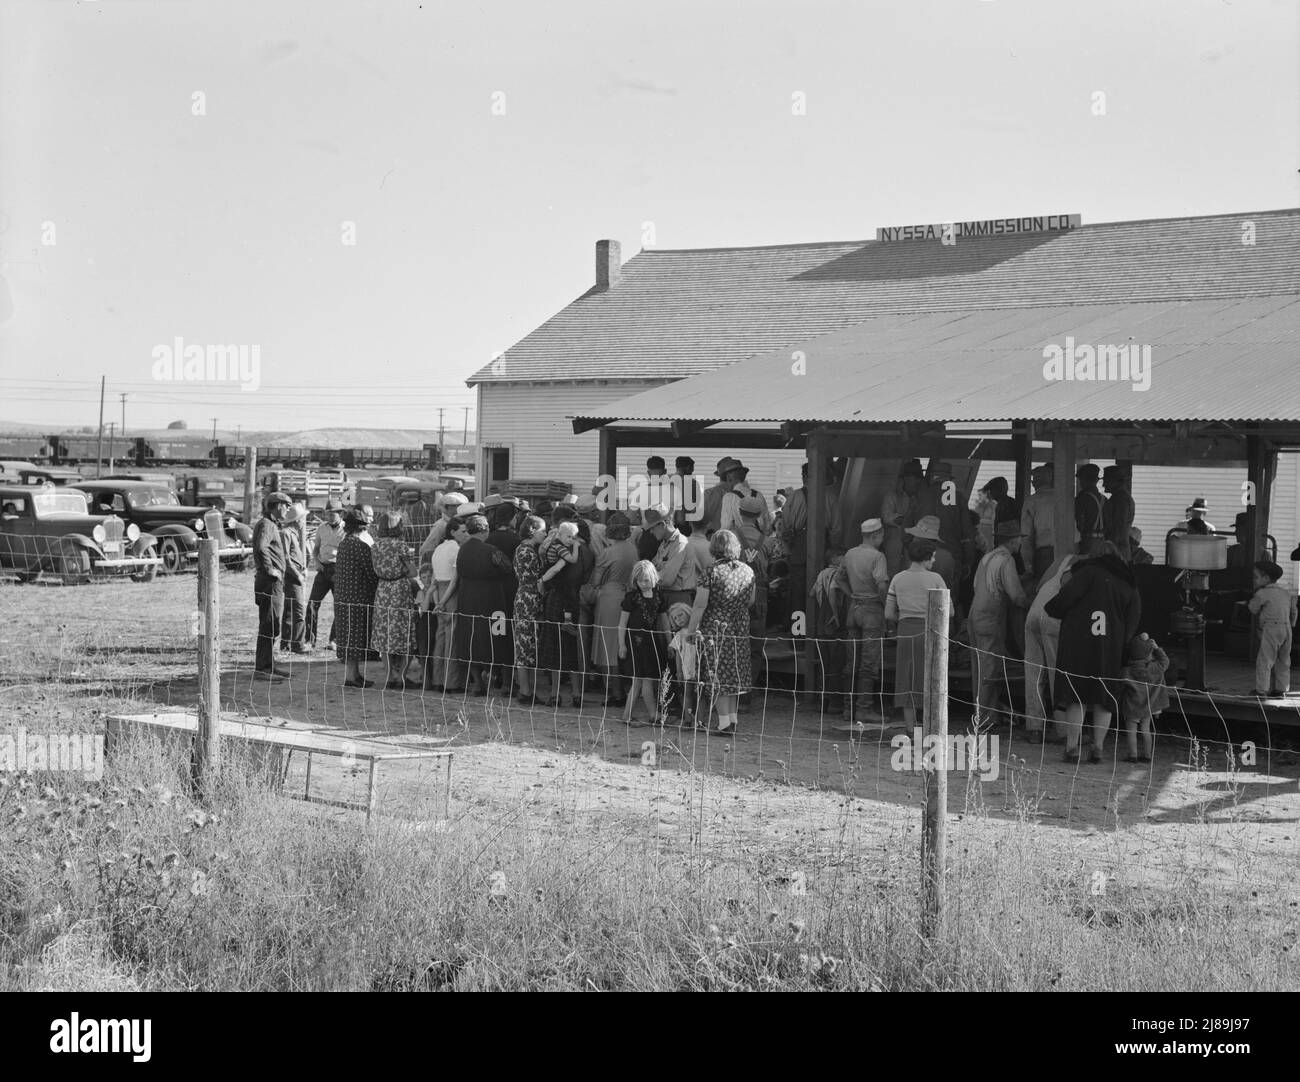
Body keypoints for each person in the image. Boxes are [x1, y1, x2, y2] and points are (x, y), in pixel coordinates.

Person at [1045, 541, 1142, 764]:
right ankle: (1097, 748)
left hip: (1077, 645)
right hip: (1109, 648)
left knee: (1076, 696)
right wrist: (1122, 643)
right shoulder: (1128, 581)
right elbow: (1133, 618)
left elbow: (1061, 601)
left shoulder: (1086, 573)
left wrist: (1053, 609)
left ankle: (1072, 747)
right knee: (1104, 698)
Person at [685, 530, 756, 735]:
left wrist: (691, 630)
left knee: (717, 674)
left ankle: (724, 724)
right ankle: (731, 720)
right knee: (734, 675)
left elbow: (700, 604)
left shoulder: (711, 572)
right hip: (740, 625)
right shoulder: (748, 570)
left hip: (715, 625)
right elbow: (751, 600)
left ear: (714, 547)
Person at [968, 519, 1030, 728]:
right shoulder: (1006, 560)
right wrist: (1032, 602)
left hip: (974, 613)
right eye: (1019, 539)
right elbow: (1016, 595)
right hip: (991, 617)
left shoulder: (987, 557)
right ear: (1014, 541)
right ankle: (984, 719)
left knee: (979, 667)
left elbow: (976, 585)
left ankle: (985, 714)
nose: (1020, 543)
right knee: (990, 669)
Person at [447, 513, 515, 697]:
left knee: (470, 640)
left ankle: (477, 683)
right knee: (500, 637)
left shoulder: (462, 550)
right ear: (485, 530)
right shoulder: (491, 550)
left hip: (468, 599)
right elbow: (508, 568)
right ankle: (506, 684)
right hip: (493, 601)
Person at [885, 539, 948, 728]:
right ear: (927, 557)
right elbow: (949, 611)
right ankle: (931, 726)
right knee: (931, 677)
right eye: (933, 557)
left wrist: (905, 616)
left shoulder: (897, 578)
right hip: (931, 630)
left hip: (905, 631)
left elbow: (888, 613)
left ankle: (910, 729)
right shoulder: (936, 579)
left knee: (907, 678)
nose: (934, 561)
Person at [839, 517, 890, 729]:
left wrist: (853, 595)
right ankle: (864, 708)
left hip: (854, 608)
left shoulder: (850, 554)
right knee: (869, 663)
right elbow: (881, 584)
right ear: (876, 535)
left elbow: (840, 579)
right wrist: (885, 605)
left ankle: (848, 707)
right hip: (872, 610)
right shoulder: (878, 557)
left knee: (853, 661)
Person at [1022, 552, 1079, 742]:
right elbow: (1070, 593)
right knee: (1057, 673)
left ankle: (1034, 729)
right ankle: (1063, 731)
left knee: (1034, 673)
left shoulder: (1061, 561)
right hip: (1052, 617)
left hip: (1034, 612)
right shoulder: (1083, 566)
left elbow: (1039, 586)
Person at [781, 461, 842, 618]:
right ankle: (817, 633)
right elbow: (836, 529)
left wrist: (788, 550)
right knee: (823, 591)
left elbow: (786, 527)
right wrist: (831, 550)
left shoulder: (795, 496)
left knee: (798, 596)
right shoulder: (830, 497)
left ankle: (798, 636)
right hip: (824, 549)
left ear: (805, 477)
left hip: (799, 549)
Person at [589, 512, 638, 708]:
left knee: (608, 646)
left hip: (609, 598)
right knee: (622, 644)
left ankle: (616, 693)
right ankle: (625, 689)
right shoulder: (633, 550)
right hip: (627, 596)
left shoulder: (607, 553)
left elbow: (596, 580)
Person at [369, 511, 420, 690]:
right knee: (405, 634)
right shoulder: (401, 546)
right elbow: (413, 572)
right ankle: (402, 677)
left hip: (382, 590)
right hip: (400, 590)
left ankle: (390, 676)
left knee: (385, 635)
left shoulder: (375, 546)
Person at [536, 517, 584, 707]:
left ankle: (555, 693)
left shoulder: (554, 547)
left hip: (556, 598)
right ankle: (576, 693)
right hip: (572, 599)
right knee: (570, 645)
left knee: (554, 645)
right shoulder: (583, 552)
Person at [618, 560, 670, 726]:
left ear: (653, 578)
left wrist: (669, 642)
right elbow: (622, 623)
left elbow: (665, 621)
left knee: (646, 679)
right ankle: (653, 715)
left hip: (651, 641)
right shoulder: (632, 598)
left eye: (646, 580)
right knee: (641, 679)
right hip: (635, 642)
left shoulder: (659, 597)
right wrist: (621, 645)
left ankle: (629, 715)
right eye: (640, 581)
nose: (643, 584)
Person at [334, 508, 379, 688]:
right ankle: (352, 677)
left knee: (348, 636)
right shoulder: (360, 545)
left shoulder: (345, 543)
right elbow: (371, 572)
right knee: (355, 637)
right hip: (357, 597)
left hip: (343, 595)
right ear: (362, 527)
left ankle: (354, 674)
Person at [425, 516, 467, 692]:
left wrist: (436, 600)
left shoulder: (438, 549)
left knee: (440, 637)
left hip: (439, 592)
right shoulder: (456, 549)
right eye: (462, 531)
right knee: (452, 638)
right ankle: (451, 682)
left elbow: (434, 580)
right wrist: (442, 602)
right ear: (453, 531)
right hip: (450, 593)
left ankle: (438, 679)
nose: (465, 534)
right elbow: (454, 581)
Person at [253, 492, 292, 678]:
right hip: (269, 582)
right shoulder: (267, 525)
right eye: (287, 505)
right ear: (277, 506)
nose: (289, 509)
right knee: (269, 624)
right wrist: (270, 569)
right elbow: (261, 547)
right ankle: (263, 668)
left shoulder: (269, 524)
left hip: (273, 582)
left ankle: (269, 665)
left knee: (273, 624)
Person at [510, 515, 547, 704]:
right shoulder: (528, 551)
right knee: (525, 644)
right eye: (542, 530)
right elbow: (537, 580)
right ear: (533, 530)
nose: (546, 533)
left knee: (526, 643)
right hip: (529, 599)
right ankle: (525, 690)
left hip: (525, 597)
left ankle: (525, 689)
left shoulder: (523, 549)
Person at [1119, 634, 1170, 763]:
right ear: (1149, 653)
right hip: (1148, 706)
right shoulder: (1155, 668)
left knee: (1131, 731)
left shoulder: (1126, 671)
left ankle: (1133, 755)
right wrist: (1157, 649)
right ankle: (1147, 755)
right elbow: (1165, 661)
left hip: (1131, 706)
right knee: (1146, 730)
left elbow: (1120, 686)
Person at [1247, 560, 1296, 696]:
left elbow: (1253, 608)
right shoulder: (1286, 593)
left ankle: (1261, 689)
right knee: (1284, 660)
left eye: (1256, 577)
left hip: (1271, 628)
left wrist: (1250, 601)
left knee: (1265, 659)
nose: (1254, 580)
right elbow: (1294, 612)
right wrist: (1291, 624)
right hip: (1287, 629)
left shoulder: (1262, 593)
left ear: (1266, 578)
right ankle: (1281, 689)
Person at [306, 498, 343, 647]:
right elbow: (316, 548)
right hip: (322, 568)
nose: (330, 516)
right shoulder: (321, 528)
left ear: (340, 513)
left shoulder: (346, 529)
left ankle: (333, 640)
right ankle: (309, 639)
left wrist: (340, 570)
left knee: (339, 606)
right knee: (312, 604)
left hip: (337, 569)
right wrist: (317, 561)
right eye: (328, 513)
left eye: (333, 513)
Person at [643, 504, 692, 608]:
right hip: (668, 596)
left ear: (662, 524)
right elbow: (652, 567)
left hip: (678, 599)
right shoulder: (665, 544)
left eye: (652, 527)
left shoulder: (680, 543)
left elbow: (666, 579)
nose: (651, 532)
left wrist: (643, 578)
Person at [881, 459, 924, 578]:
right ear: (906, 479)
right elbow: (887, 517)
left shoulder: (921, 498)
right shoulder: (892, 495)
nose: (918, 481)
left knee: (911, 573)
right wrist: (910, 521)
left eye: (919, 478)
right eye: (915, 478)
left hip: (913, 544)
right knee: (891, 573)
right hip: (893, 542)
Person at [279, 502, 310, 654]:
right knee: (299, 610)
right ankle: (298, 644)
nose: (304, 521)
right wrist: (298, 574)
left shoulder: (294, 534)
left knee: (290, 610)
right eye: (303, 518)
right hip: (292, 575)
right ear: (298, 520)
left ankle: (286, 644)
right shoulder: (285, 533)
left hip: (296, 573)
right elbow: (286, 558)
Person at [1019, 464, 1056, 584]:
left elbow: (1026, 536)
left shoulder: (1032, 501)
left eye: (1033, 479)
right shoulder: (1066, 498)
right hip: (1069, 551)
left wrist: (1028, 568)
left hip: (1045, 554)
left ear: (1036, 482)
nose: (1032, 483)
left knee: (1044, 592)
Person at [666, 602, 699, 725]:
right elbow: (678, 655)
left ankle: (699, 720)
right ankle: (687, 719)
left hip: (700, 667)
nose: (678, 619)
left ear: (688, 613)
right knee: (687, 693)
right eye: (675, 618)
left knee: (701, 695)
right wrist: (679, 671)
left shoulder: (698, 630)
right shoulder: (679, 634)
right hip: (686, 669)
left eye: (680, 615)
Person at [418, 491, 469, 567]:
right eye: (457, 506)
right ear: (447, 508)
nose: (460, 508)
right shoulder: (441, 525)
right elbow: (425, 549)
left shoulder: (461, 522)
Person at [1102, 465, 1135, 562]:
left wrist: (1109, 548)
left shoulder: (1120, 500)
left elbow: (1118, 527)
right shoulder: (1122, 497)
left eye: (1106, 480)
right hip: (1119, 548)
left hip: (1117, 550)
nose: (1103, 484)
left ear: (1115, 481)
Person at [1074, 464, 1106, 555]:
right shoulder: (1105, 500)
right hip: (1102, 542)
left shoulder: (1082, 498)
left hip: (1087, 542)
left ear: (1084, 480)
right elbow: (1110, 523)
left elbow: (1079, 523)